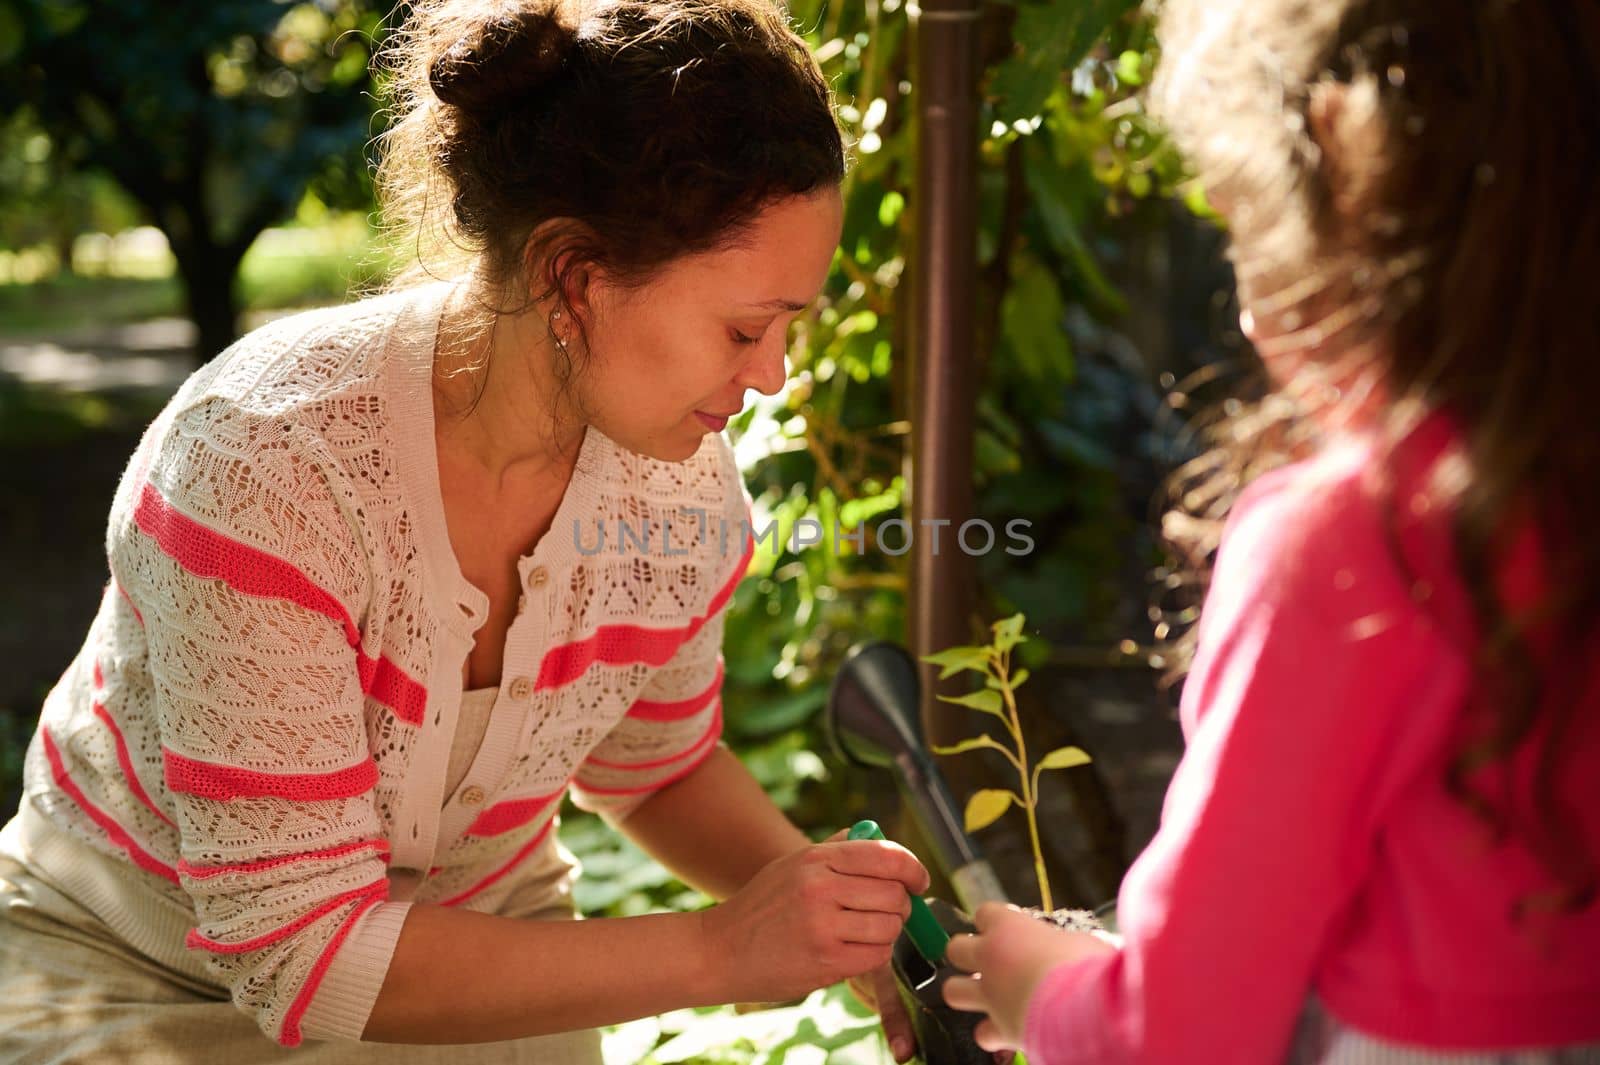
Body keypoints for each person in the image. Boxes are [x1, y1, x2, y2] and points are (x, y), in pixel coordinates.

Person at [0, 1, 930, 1061]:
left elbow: (654, 763)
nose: (772, 376)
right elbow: (303, 956)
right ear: (570, 274)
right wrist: (723, 951)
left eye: (787, 328)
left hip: (486, 970)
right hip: (132, 976)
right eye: (745, 327)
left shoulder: (681, 494)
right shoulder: (267, 466)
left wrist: (845, 933)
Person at [942, 1, 1600, 1062]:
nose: (1245, 307)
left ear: (1338, 202)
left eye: (1239, 226)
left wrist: (1044, 993)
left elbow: (1184, 1029)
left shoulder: (1355, 546)